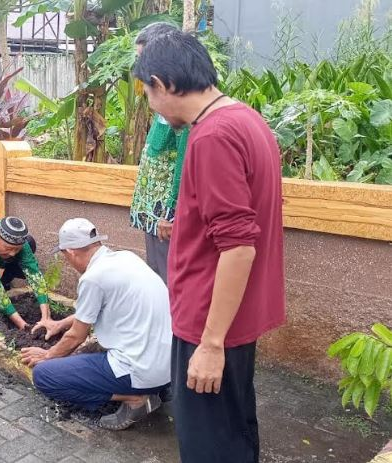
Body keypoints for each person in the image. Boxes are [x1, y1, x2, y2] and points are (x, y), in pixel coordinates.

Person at [133, 32, 285, 462]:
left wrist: (211, 344)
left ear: (162, 84)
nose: (151, 105)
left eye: (147, 93)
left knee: (207, 444)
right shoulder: (245, 118)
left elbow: (238, 247)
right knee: (233, 432)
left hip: (209, 321)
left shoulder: (212, 136)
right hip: (230, 314)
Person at [20, 218, 171, 431]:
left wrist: (47, 356)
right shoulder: (126, 258)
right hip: (170, 366)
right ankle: (154, 389)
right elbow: (100, 308)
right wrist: (61, 323)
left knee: (44, 376)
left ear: (70, 252)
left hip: (140, 370)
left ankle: (136, 398)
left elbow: (76, 337)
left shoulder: (93, 278)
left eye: (64, 256)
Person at [128, 22, 189, 283]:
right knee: (154, 273)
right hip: (152, 212)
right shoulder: (161, 96)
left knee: (168, 278)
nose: (140, 66)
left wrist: (171, 214)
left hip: (164, 214)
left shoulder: (180, 103)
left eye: (143, 58)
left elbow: (184, 163)